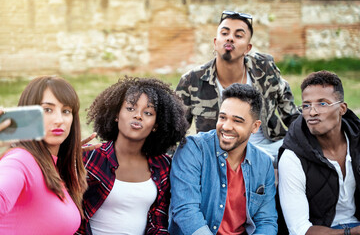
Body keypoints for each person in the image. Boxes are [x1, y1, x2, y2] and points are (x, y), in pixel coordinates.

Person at [175, 10, 299, 163]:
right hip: (218, 157)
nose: (230, 38)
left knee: (293, 154)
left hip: (269, 150)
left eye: (238, 35)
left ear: (248, 48)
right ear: (215, 42)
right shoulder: (192, 80)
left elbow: (291, 113)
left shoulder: (265, 68)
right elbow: (174, 129)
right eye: (225, 33)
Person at [77, 76, 188, 235]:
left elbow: (158, 222)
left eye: (148, 112)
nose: (138, 116)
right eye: (130, 108)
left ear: (156, 124)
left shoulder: (163, 165)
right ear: (116, 115)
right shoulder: (90, 156)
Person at [169, 83, 277, 235]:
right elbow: (186, 210)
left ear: (255, 126)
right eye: (223, 117)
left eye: (237, 121)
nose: (226, 126)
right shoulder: (193, 149)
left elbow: (266, 221)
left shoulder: (263, 163)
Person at [0, 76, 87, 234]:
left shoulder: (53, 165)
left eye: (66, 111)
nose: (59, 120)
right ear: (27, 114)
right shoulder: (19, 160)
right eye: (47, 109)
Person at [278, 70, 360, 235]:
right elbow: (299, 229)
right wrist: (350, 233)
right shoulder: (292, 157)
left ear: (342, 108)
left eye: (322, 103)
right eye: (306, 105)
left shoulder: (357, 142)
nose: (312, 112)